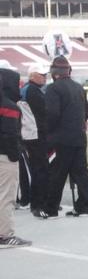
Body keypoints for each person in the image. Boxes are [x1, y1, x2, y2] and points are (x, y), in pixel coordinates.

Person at [40, 55, 88, 218]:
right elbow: (86, 113)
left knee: (57, 174)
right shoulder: (79, 87)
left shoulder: (53, 88)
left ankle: (51, 209)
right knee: (81, 173)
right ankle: (83, 207)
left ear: (54, 72)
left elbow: (52, 114)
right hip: (79, 137)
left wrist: (47, 131)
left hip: (60, 139)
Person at [0, 65, 29, 248]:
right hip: (4, 156)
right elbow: (10, 134)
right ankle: (5, 235)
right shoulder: (9, 107)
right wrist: (14, 154)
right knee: (6, 196)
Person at [18, 61, 48, 214]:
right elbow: (43, 112)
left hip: (29, 134)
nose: (45, 77)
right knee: (40, 170)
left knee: (38, 169)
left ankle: (37, 203)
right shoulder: (33, 91)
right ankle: (38, 204)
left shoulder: (26, 89)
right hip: (35, 135)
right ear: (33, 76)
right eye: (42, 75)